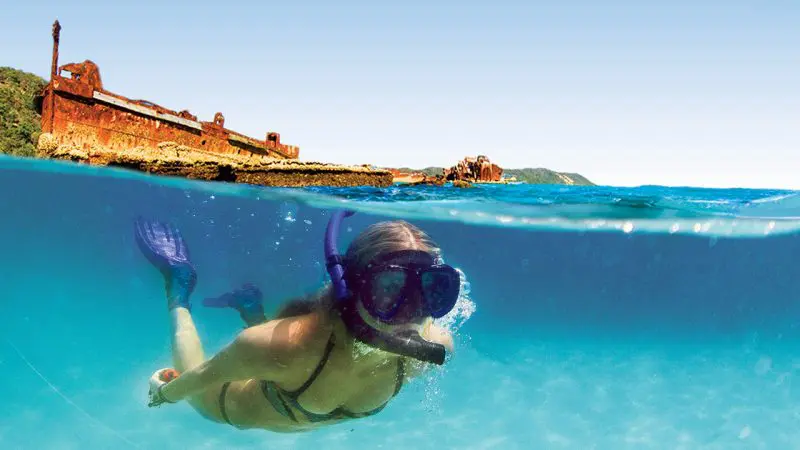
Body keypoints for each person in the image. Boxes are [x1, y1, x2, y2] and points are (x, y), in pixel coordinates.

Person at [134, 210, 460, 432]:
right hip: (224, 404)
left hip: (281, 375)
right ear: (352, 286)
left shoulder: (434, 346)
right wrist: (166, 393)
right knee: (198, 399)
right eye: (389, 289)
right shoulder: (283, 344)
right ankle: (178, 286)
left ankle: (250, 307)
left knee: (276, 360)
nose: (410, 312)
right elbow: (201, 377)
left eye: (430, 290)